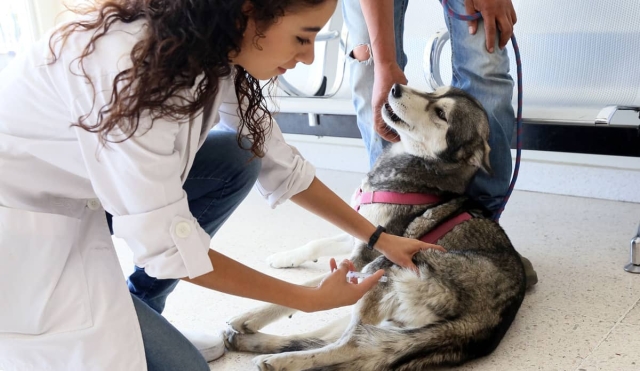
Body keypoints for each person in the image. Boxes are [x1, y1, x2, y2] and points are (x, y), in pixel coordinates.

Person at [0, 0, 445, 370]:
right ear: (248, 12)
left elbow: (280, 162)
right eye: (302, 37)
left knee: (235, 158)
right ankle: (128, 320)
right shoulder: (127, 69)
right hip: (24, 236)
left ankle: (142, 308)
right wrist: (307, 299)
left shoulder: (209, 47)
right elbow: (171, 249)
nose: (308, 56)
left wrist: (379, 237)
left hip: (89, 195)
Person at [342, 0, 537, 286]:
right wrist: (384, 63)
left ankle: (476, 239)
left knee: (486, 67)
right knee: (369, 62)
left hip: (471, 231)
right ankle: (385, 234)